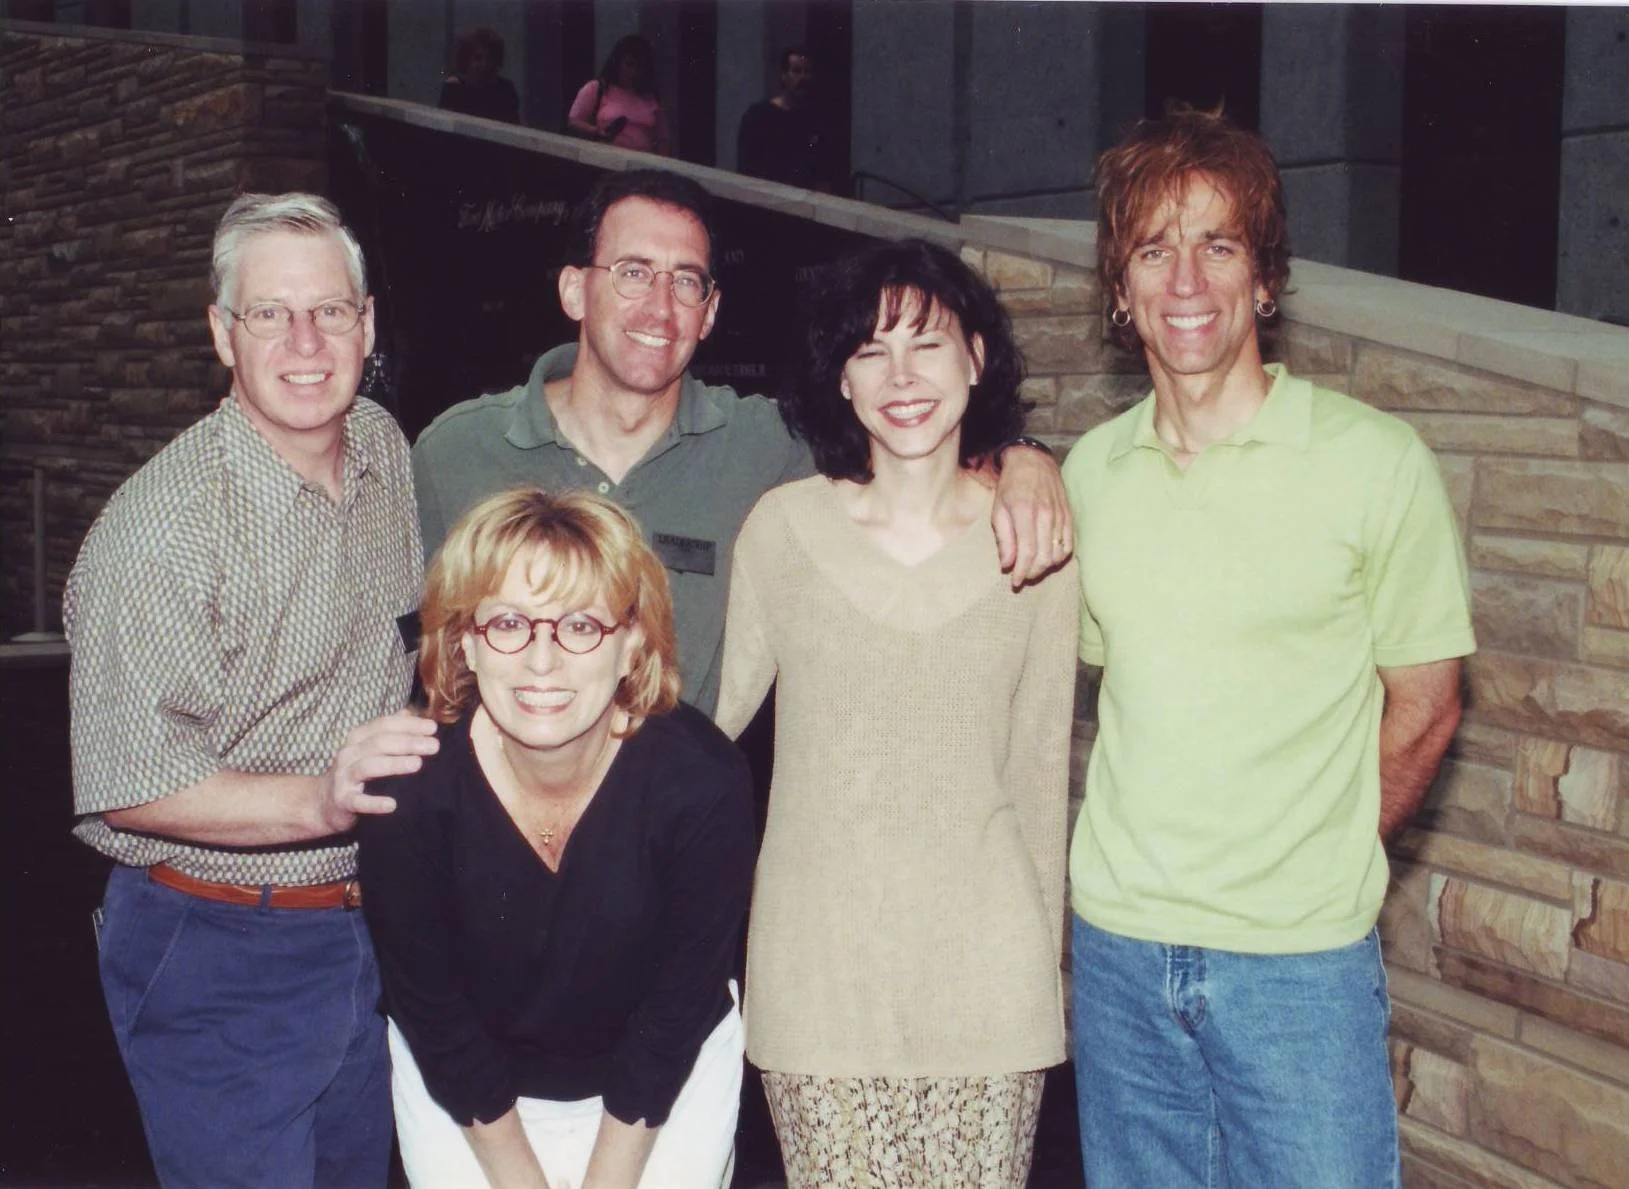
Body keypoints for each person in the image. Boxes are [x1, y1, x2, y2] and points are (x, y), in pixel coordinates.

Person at [1060, 105, 1476, 1186]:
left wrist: (1321, 855)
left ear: (1265, 279)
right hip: (1118, 955)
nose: (1185, 281)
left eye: (1218, 245)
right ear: (1118, 290)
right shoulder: (1089, 476)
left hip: (1298, 965)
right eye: (1153, 250)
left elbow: (1427, 706)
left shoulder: (1376, 462)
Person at [63, 192, 438, 1188]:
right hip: (218, 946)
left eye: (330, 310)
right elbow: (131, 782)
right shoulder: (161, 531)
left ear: (367, 324)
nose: (305, 342)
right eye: (269, 313)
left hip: (366, 928)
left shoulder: (382, 448)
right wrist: (322, 799)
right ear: (222, 333)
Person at [411, 168, 1072, 717]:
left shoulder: (766, 447)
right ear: (574, 290)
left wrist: (1023, 456)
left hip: (677, 820)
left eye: (686, 280)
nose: (660, 306)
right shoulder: (455, 451)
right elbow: (417, 662)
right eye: (633, 272)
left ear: (711, 312)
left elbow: (908, 439)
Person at [715, 239, 1078, 1186]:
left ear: (976, 359)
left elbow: (1040, 777)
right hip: (819, 983)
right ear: (841, 381)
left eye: (928, 343)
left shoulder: (1033, 542)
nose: (902, 376)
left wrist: (1044, 992)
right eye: (871, 351)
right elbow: (704, 732)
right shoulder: (783, 531)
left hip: (988, 986)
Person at [358, 488, 754, 1189]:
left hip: (665, 1070)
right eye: (508, 622)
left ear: (632, 643)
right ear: (466, 642)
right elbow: (434, 1011)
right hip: (469, 1083)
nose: (542, 662)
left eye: (580, 625)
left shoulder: (701, 780)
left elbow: (674, 1012)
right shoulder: (409, 790)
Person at [735, 46, 835, 192]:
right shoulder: (758, 117)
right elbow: (746, 170)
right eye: (796, 71)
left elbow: (823, 177)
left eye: (807, 71)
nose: (803, 77)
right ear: (784, 75)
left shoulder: (818, 122)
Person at [567, 35, 670, 155]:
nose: (633, 72)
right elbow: (573, 123)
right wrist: (595, 131)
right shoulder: (597, 89)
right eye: (629, 64)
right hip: (606, 158)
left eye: (639, 67)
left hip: (643, 161)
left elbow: (663, 139)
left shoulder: (651, 99)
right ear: (617, 63)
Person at [439, 27, 521, 124]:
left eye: (490, 58)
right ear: (466, 60)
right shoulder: (455, 88)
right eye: (478, 58)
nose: (485, 65)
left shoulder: (506, 90)